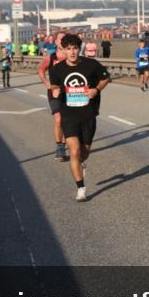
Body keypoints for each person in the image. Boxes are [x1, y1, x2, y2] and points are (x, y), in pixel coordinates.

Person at [48, 34, 111, 201]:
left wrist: (96, 89)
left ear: (79, 48)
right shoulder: (56, 69)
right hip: (68, 115)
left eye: (75, 48)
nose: (72, 52)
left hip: (88, 114)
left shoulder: (92, 65)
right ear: (63, 50)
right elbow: (54, 84)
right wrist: (54, 90)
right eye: (68, 49)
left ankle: (81, 161)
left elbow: (106, 78)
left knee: (84, 152)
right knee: (74, 151)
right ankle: (81, 188)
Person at [39, 31, 68, 161]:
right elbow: (40, 70)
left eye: (65, 39)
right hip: (55, 92)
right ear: (55, 42)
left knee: (69, 121)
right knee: (58, 119)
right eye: (60, 39)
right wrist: (47, 83)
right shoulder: (50, 58)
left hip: (71, 93)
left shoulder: (72, 57)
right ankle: (60, 147)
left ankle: (71, 145)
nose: (62, 41)